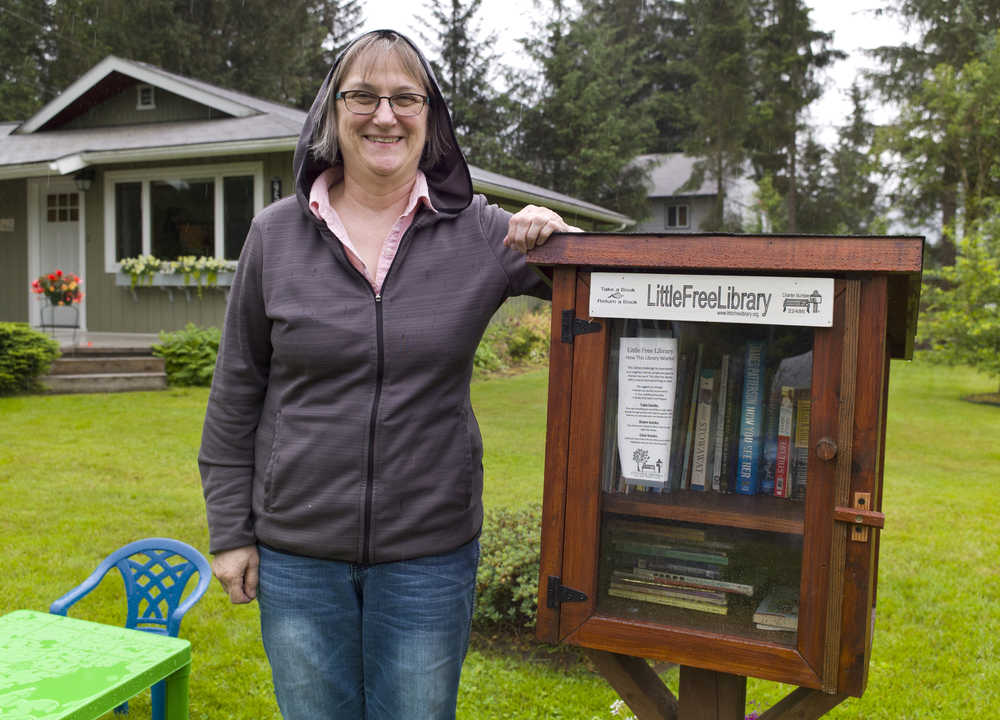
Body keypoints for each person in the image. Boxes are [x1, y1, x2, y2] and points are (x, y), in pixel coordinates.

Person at [199, 29, 578, 720]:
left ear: (430, 119)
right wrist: (230, 532)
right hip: (297, 552)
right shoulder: (275, 235)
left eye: (406, 98)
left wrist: (556, 239)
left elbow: (603, 288)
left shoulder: (482, 234)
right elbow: (236, 392)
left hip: (428, 556)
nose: (384, 115)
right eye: (363, 96)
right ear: (331, 113)